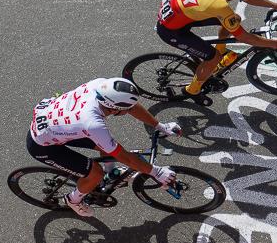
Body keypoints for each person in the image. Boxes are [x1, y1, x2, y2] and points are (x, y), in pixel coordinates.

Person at [27, 78, 181, 217]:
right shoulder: (93, 124)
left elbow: (131, 106)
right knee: (96, 173)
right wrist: (156, 172)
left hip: (60, 122)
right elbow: (125, 158)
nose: (130, 110)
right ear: (113, 109)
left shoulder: (101, 86)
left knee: (106, 145)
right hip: (43, 145)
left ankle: (110, 174)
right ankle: (73, 200)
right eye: (127, 109)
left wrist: (160, 126)